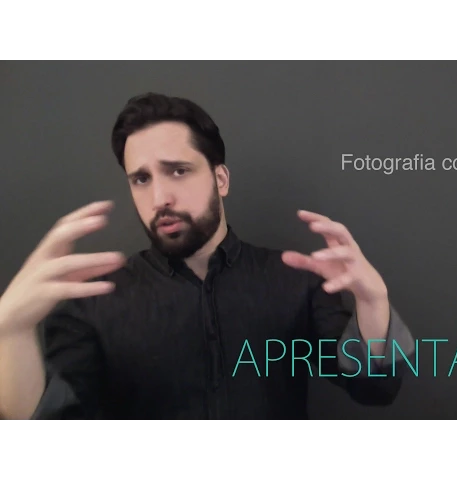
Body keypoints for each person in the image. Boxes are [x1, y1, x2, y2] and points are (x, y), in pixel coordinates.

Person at [0, 92, 415, 420]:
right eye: (141, 179)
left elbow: (375, 388)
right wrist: (10, 334)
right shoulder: (91, 303)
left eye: (178, 171)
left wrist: (373, 302)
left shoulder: (296, 281)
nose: (159, 198)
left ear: (221, 178)